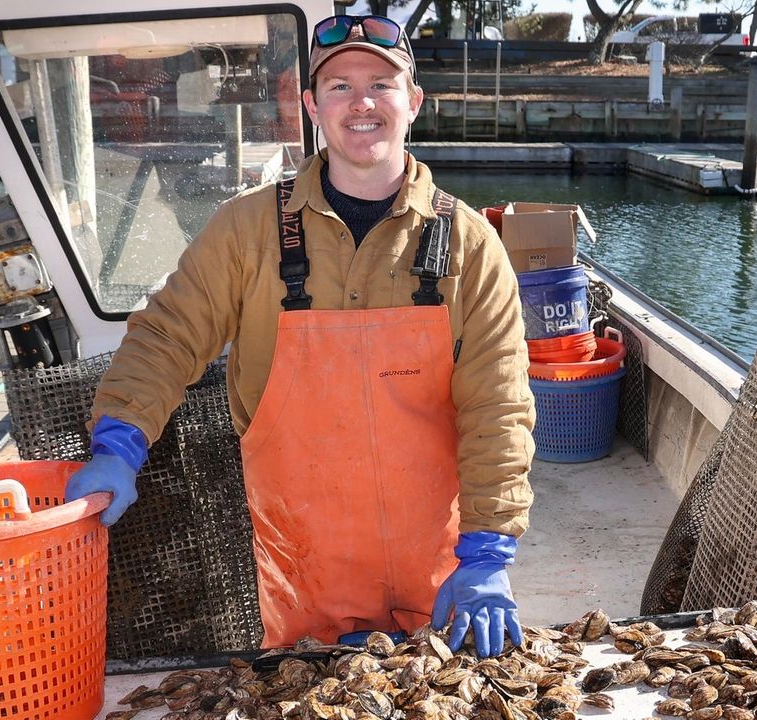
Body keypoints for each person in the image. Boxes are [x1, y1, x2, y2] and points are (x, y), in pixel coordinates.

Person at [65, 14, 535, 658]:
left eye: (381, 83)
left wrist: (487, 549)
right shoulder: (246, 229)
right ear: (312, 105)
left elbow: (499, 407)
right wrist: (119, 440)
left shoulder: (472, 246)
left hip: (441, 567)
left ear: (414, 102)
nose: (361, 102)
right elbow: (167, 336)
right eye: (339, 85)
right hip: (298, 561)